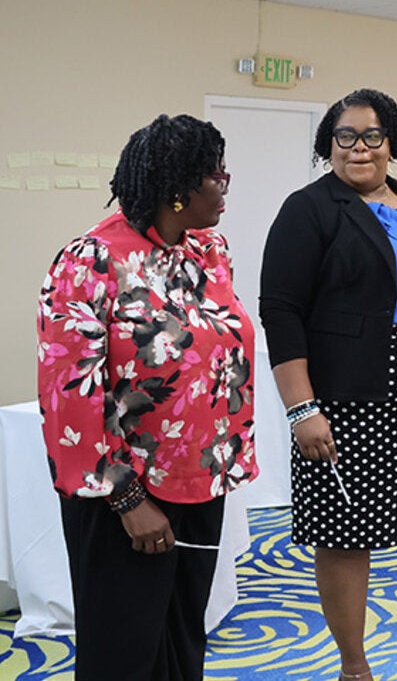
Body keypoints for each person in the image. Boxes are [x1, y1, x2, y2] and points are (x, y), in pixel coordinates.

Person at [259, 89, 397, 681]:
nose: (359, 148)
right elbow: (281, 312)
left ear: (393, 143)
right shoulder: (309, 209)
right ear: (328, 144)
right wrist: (301, 408)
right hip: (346, 395)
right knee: (345, 534)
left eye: (372, 136)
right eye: (345, 137)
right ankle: (354, 667)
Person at [38, 114, 257, 681]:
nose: (225, 187)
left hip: (200, 479)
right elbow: (69, 395)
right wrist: (126, 497)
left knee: (183, 641)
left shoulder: (209, 252)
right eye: (215, 175)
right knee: (124, 651)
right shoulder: (91, 261)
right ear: (177, 188)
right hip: (126, 495)